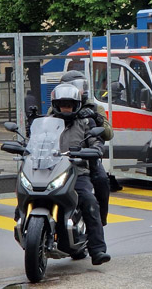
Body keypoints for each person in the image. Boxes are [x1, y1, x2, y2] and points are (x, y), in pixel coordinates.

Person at [49, 83, 110, 265]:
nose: (65, 108)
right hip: (50, 171)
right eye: (62, 104)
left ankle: (97, 249)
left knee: (89, 201)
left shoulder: (86, 120)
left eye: (69, 104)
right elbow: (36, 140)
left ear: (76, 103)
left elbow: (98, 139)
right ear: (56, 104)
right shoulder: (48, 120)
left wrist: (95, 148)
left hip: (77, 172)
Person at [55, 70, 117, 225]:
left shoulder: (95, 107)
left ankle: (100, 218)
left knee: (102, 180)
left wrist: (96, 118)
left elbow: (108, 134)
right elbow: (48, 127)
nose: (80, 90)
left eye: (82, 86)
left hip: (86, 158)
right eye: (77, 86)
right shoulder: (56, 107)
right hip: (59, 161)